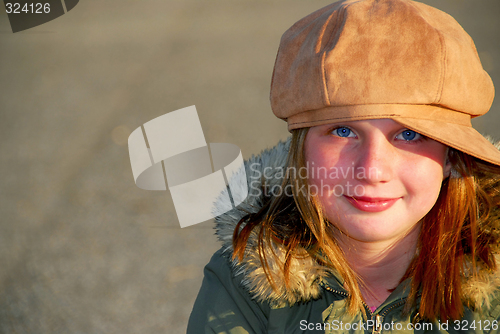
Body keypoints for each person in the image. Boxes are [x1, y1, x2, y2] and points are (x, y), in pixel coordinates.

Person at [187, 0, 500, 332]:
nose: (372, 170)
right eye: (343, 131)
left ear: (452, 156)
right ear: (302, 150)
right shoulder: (247, 280)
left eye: (409, 135)